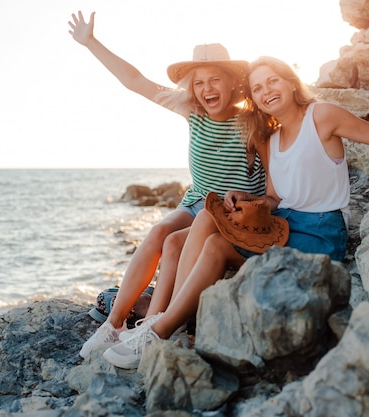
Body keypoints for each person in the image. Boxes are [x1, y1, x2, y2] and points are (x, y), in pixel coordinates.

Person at [100, 56, 369, 369]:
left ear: (289, 82)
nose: (266, 90)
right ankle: (164, 321)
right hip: (285, 224)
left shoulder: (322, 115)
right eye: (258, 87)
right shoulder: (268, 138)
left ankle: (161, 329)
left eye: (272, 81)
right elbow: (272, 197)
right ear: (252, 97)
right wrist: (242, 199)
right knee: (207, 220)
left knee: (214, 243)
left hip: (321, 229)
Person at [69, 11, 267, 360]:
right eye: (199, 82)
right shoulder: (190, 109)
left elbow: (273, 178)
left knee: (175, 243)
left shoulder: (252, 120)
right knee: (160, 231)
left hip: (230, 213)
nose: (207, 89)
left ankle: (155, 323)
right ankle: (114, 325)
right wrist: (90, 42)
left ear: (234, 82)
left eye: (215, 80)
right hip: (195, 204)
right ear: (192, 88)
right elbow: (134, 80)